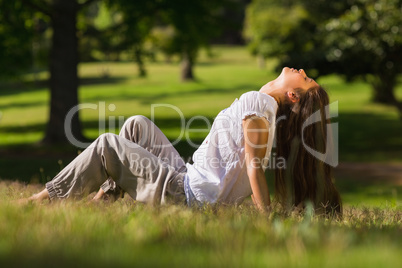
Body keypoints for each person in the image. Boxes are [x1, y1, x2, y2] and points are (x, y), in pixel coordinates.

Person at [23, 67, 342, 216]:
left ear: (292, 94)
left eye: (305, 77)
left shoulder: (258, 104)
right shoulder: (263, 106)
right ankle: (104, 200)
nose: (300, 69)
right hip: (193, 184)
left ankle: (43, 200)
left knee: (108, 143)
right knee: (137, 126)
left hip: (188, 196)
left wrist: (266, 217)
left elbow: (255, 168)